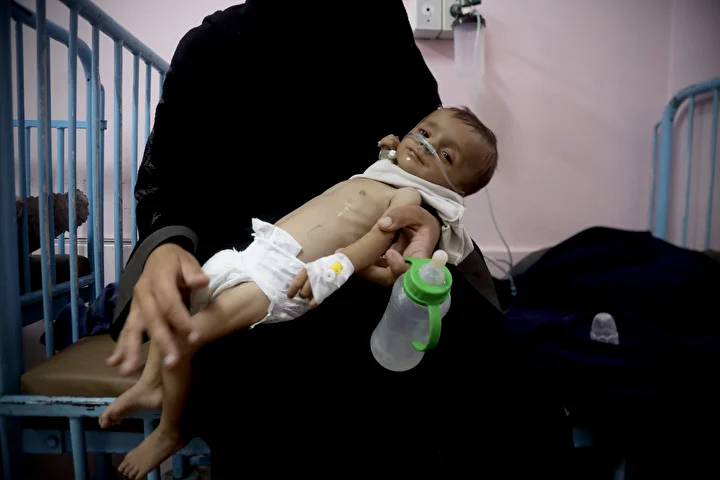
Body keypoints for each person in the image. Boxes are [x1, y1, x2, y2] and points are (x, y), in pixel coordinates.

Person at [107, 2, 572, 478]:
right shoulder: (217, 46)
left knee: (512, 390)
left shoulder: (380, 34)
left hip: (372, 268)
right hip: (253, 264)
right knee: (281, 390)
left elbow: (429, 169)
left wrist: (425, 227)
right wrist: (165, 246)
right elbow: (169, 187)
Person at [102, 106, 498, 479]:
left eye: (446, 156)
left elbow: (373, 243)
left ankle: (170, 431)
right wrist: (390, 150)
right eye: (425, 131)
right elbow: (385, 166)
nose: (427, 145)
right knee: (175, 306)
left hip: (282, 276)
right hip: (258, 251)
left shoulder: (410, 199)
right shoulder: (388, 173)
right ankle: (150, 384)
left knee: (183, 338)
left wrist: (332, 271)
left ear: (455, 189)